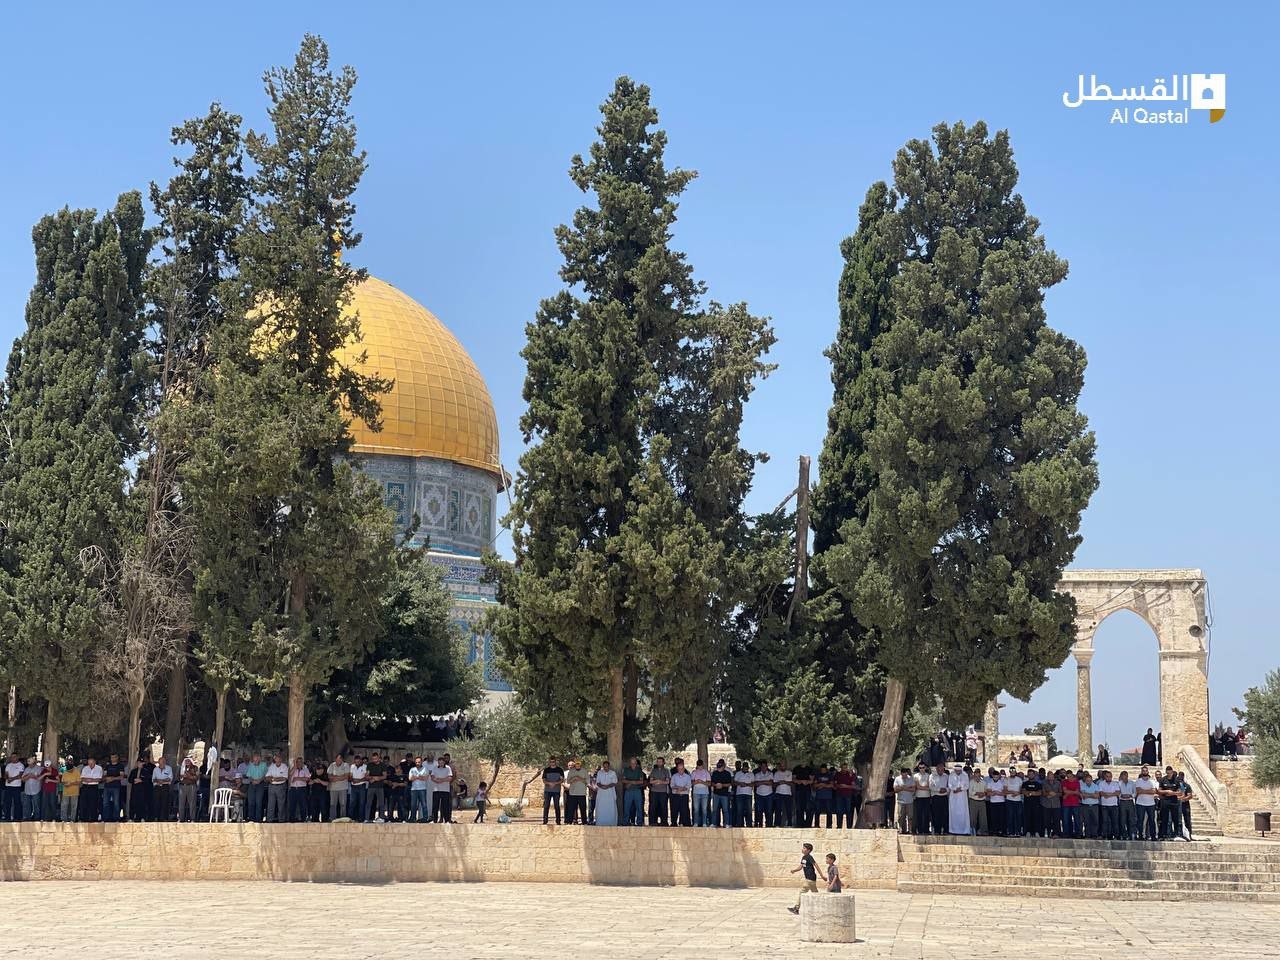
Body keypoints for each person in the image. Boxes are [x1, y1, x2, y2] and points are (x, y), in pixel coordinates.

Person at [787, 842, 819, 914]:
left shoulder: (809, 857)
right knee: (815, 893)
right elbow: (800, 867)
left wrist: (822, 875)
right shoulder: (803, 857)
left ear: (808, 850)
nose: (803, 849)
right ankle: (820, 906)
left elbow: (816, 865)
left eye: (804, 848)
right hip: (810, 879)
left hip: (810, 878)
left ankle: (796, 908)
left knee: (802, 892)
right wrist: (794, 870)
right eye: (803, 848)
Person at [1134, 765, 1159, 840]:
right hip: (1140, 803)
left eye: (1146, 770)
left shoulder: (1152, 781)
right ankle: (1141, 835)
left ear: (1148, 772)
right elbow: (1138, 791)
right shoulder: (1138, 781)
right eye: (1143, 771)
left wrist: (1143, 791)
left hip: (1151, 803)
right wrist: (1149, 791)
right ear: (1141, 772)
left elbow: (1154, 791)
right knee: (1140, 820)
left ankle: (1153, 836)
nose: (1144, 772)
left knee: (1152, 821)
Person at [127, 755, 154, 822]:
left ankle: (142, 817)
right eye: (139, 762)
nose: (140, 764)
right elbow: (129, 780)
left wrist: (141, 780)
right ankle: (131, 817)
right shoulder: (133, 771)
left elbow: (148, 780)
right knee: (133, 803)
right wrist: (134, 780)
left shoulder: (146, 771)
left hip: (142, 790)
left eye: (141, 763)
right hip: (134, 790)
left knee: (142, 804)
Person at [945, 764, 970, 835]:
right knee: (954, 813)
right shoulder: (951, 775)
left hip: (962, 797)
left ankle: (964, 830)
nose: (958, 771)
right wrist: (954, 789)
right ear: (955, 770)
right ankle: (953, 830)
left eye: (959, 770)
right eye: (957, 770)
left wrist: (960, 789)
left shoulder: (965, 775)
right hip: (954, 797)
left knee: (963, 812)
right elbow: (949, 785)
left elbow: (967, 785)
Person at [102, 753, 127, 822]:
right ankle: (105, 818)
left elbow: (122, 776)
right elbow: (103, 776)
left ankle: (116, 818)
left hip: (116, 787)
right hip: (107, 786)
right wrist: (106, 778)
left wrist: (113, 778)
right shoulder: (107, 766)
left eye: (114, 757)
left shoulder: (120, 766)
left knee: (116, 803)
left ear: (117, 758)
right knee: (105, 803)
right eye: (111, 757)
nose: (112, 759)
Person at [264, 754, 289, 823]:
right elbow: (267, 777)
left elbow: (284, 778)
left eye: (279, 758)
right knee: (270, 804)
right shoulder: (272, 766)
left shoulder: (284, 767)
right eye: (276, 758)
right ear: (275, 760)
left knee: (281, 804)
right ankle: (269, 820)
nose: (277, 760)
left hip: (281, 786)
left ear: (281, 759)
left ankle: (281, 820)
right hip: (272, 787)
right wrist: (274, 778)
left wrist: (274, 778)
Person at [622, 757, 646, 827]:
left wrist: (630, 782)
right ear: (630, 763)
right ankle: (625, 822)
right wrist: (633, 781)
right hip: (628, 791)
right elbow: (623, 780)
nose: (633, 764)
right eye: (632, 763)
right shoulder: (626, 770)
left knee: (639, 807)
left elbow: (641, 781)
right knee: (626, 807)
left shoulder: (639, 770)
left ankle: (639, 822)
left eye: (635, 763)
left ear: (636, 763)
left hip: (637, 791)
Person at [326, 753, 351, 821]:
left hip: (343, 788)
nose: (338, 760)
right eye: (337, 759)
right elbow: (329, 777)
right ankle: (332, 818)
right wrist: (341, 777)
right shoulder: (332, 765)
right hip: (333, 789)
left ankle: (343, 819)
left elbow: (346, 776)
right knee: (332, 804)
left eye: (340, 759)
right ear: (335, 759)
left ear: (342, 759)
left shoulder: (346, 765)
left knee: (343, 804)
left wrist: (335, 778)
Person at [594, 760, 619, 827]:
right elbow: (598, 782)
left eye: (607, 767)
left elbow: (615, 782)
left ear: (609, 766)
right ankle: (600, 823)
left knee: (610, 807)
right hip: (601, 793)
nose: (605, 768)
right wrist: (601, 786)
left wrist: (607, 786)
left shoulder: (613, 773)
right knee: (601, 807)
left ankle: (611, 822)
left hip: (610, 793)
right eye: (604, 767)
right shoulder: (599, 772)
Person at [430, 755, 454, 823]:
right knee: (435, 806)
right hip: (436, 790)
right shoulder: (435, 768)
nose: (440, 764)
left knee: (445, 806)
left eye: (442, 763)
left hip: (445, 790)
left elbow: (450, 778)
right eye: (439, 763)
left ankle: (446, 820)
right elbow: (432, 777)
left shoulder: (448, 768)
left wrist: (442, 780)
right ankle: (434, 820)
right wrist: (436, 780)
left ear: (444, 762)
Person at [286, 757, 310, 823]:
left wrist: (298, 778)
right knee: (292, 805)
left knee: (303, 805)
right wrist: (295, 767)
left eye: (300, 762)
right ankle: (291, 821)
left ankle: (303, 820)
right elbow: (289, 775)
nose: (299, 763)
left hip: (302, 789)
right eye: (298, 762)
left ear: (302, 763)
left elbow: (307, 778)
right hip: (293, 789)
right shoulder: (293, 768)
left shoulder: (305, 769)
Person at [79, 756, 104, 822]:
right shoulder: (85, 768)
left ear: (95, 762)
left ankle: (93, 818)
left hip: (94, 787)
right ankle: (84, 818)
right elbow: (82, 778)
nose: (90, 765)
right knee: (84, 803)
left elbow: (99, 779)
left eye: (92, 763)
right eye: (89, 763)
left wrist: (90, 780)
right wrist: (92, 779)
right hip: (85, 786)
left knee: (93, 803)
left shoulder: (99, 768)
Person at [564, 758, 588, 825]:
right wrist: (574, 778)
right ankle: (569, 822)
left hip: (581, 793)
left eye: (578, 764)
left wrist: (579, 778)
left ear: (580, 764)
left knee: (583, 809)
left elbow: (587, 781)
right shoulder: (571, 771)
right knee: (571, 809)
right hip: (573, 793)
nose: (577, 765)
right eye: (576, 764)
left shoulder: (584, 771)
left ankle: (584, 822)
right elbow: (568, 781)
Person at [710, 759, 733, 828]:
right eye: (718, 767)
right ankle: (714, 823)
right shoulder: (714, 773)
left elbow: (729, 784)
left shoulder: (727, 773)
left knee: (725, 810)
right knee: (714, 810)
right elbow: (712, 782)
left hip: (724, 794)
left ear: (723, 766)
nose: (719, 768)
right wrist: (716, 785)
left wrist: (722, 785)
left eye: (720, 767)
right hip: (716, 794)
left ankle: (726, 823)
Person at [648, 757, 671, 826]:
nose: (659, 763)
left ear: (663, 762)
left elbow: (667, 781)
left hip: (663, 792)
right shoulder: (653, 770)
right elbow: (651, 781)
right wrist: (659, 781)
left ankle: (664, 822)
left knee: (663, 807)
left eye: (660, 761)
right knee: (653, 806)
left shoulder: (666, 770)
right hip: (654, 791)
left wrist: (659, 781)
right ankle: (652, 822)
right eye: (658, 761)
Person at [669, 758, 692, 826]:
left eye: (681, 769)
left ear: (684, 769)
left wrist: (681, 789)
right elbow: (672, 785)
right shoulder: (674, 776)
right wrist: (678, 788)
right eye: (679, 769)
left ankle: (684, 823)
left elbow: (688, 786)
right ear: (677, 769)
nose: (680, 770)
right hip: (675, 795)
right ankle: (674, 823)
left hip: (684, 796)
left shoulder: (688, 777)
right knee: (674, 810)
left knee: (684, 810)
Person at [1098, 769, 1120, 839]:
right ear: (1105, 777)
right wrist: (1111, 794)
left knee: (1115, 821)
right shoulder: (1101, 783)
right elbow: (1101, 793)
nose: (1108, 778)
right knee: (1105, 821)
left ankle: (1116, 835)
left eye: (1110, 776)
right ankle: (1105, 835)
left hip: (1114, 805)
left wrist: (1108, 794)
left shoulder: (1115, 783)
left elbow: (1117, 793)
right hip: (1104, 805)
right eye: (1107, 776)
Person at [894, 767, 916, 835]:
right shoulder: (897, 779)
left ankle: (909, 830)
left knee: (910, 816)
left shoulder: (911, 778)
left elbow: (913, 789)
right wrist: (902, 788)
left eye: (905, 775)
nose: (904, 776)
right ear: (901, 773)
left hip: (909, 801)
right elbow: (895, 789)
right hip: (901, 801)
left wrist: (904, 788)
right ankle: (901, 829)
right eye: (903, 775)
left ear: (907, 773)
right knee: (901, 816)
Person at [690, 757, 712, 827]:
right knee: (696, 809)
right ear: (697, 765)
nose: (699, 767)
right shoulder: (694, 772)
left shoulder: (706, 772)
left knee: (704, 809)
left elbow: (709, 784)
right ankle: (696, 822)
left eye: (700, 765)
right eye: (698, 766)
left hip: (705, 793)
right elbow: (691, 783)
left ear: (703, 765)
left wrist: (702, 782)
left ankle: (704, 823)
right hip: (696, 792)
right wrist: (696, 781)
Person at [965, 765, 986, 835]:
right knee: (973, 817)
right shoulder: (971, 782)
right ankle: (972, 830)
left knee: (983, 817)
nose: (977, 777)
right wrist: (977, 793)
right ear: (974, 775)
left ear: (980, 775)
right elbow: (970, 792)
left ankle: (983, 831)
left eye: (978, 776)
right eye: (976, 776)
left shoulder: (984, 782)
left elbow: (986, 791)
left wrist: (983, 794)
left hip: (982, 802)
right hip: (973, 801)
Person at [929, 762, 949, 836]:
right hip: (936, 797)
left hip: (944, 797)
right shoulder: (932, 776)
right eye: (939, 769)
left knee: (945, 814)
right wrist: (939, 790)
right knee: (936, 815)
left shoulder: (946, 776)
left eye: (942, 769)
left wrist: (946, 789)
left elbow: (949, 786)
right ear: (936, 769)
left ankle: (945, 830)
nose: (940, 771)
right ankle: (937, 830)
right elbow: (931, 786)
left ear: (943, 769)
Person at [733, 760, 755, 827]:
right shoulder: (738, 773)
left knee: (749, 810)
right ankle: (740, 825)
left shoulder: (751, 774)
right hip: (739, 794)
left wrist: (746, 784)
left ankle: (749, 825)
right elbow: (734, 783)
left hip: (748, 794)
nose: (746, 769)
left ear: (748, 768)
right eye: (744, 768)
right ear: (742, 767)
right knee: (740, 810)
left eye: (747, 768)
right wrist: (740, 783)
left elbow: (753, 783)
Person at [1040, 769, 1062, 838]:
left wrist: (1055, 794)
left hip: (1056, 804)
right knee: (1047, 820)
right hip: (1046, 804)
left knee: (1056, 820)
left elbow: (1061, 793)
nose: (1050, 777)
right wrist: (1048, 793)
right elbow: (1043, 792)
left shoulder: (1058, 783)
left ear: (1053, 776)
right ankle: (1048, 833)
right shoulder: (1044, 783)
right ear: (1047, 777)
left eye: (1052, 776)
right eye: (1049, 776)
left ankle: (1056, 833)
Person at [407, 756, 430, 823]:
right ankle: (412, 818)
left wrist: (416, 777)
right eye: (416, 762)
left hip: (422, 789)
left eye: (419, 762)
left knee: (424, 804)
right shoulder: (412, 769)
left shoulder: (425, 769)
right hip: (414, 789)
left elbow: (426, 778)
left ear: (421, 762)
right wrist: (420, 777)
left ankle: (425, 818)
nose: (417, 763)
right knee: (413, 805)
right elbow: (410, 778)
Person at [178, 758, 201, 823]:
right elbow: (178, 777)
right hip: (182, 786)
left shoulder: (195, 768)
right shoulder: (182, 768)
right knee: (181, 803)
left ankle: (192, 818)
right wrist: (182, 777)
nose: (187, 762)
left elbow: (196, 777)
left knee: (192, 803)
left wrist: (189, 776)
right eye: (186, 761)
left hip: (191, 786)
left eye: (188, 761)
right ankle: (181, 818)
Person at [1, 753, 23, 822]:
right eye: (11, 757)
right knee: (8, 802)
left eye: (14, 757)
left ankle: (17, 817)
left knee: (17, 802)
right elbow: (6, 774)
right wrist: (7, 779)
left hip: (16, 787)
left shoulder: (20, 765)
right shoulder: (8, 765)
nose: (12, 758)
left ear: (17, 757)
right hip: (8, 786)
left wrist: (12, 779)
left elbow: (20, 775)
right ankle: (7, 817)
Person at [1060, 768, 1081, 838]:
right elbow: (1065, 791)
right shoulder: (1064, 782)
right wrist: (1074, 792)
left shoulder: (1077, 782)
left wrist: (1068, 793)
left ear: (1073, 776)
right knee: (1066, 820)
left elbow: (1077, 791)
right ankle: (1067, 834)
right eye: (1068, 777)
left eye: (1070, 777)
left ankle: (1078, 834)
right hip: (1066, 804)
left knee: (1077, 820)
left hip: (1075, 803)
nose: (1069, 778)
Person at [1078, 771, 1100, 838]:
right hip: (1085, 806)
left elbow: (1097, 796)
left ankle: (1094, 834)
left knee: (1095, 820)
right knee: (1086, 821)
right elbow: (1083, 796)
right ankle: (1087, 835)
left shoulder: (1095, 786)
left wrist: (1088, 795)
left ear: (1092, 780)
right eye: (1087, 780)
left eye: (1090, 780)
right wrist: (1092, 794)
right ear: (1085, 780)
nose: (1088, 782)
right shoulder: (1082, 786)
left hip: (1094, 806)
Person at [791, 761, 812, 828]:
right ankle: (799, 823)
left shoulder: (809, 769)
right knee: (799, 807)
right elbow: (793, 779)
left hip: (807, 791)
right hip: (798, 790)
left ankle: (808, 824)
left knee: (808, 807)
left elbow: (812, 780)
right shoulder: (796, 768)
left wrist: (806, 782)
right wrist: (800, 781)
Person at [1004, 766, 1024, 837]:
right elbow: (1005, 791)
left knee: (1018, 816)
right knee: (1010, 816)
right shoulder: (1006, 779)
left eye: (1014, 771)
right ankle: (1010, 832)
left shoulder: (1019, 779)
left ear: (1015, 772)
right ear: (1009, 772)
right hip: (1009, 800)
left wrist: (1017, 793)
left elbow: (1021, 790)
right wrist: (1012, 792)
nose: (1012, 772)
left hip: (1018, 800)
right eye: (1011, 771)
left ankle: (1018, 831)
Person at [59, 758, 80, 823]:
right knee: (64, 805)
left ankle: (72, 819)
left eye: (70, 771)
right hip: (66, 792)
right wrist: (65, 784)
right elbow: (62, 781)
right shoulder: (65, 772)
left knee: (74, 806)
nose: (69, 772)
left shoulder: (77, 771)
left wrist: (71, 783)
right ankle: (63, 819)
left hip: (74, 792)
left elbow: (79, 782)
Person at [985, 768, 1005, 837]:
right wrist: (996, 792)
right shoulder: (990, 783)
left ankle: (1001, 830)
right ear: (992, 776)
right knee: (993, 817)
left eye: (997, 777)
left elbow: (1004, 793)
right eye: (994, 776)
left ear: (999, 776)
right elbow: (988, 793)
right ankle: (994, 830)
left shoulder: (1002, 782)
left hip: (1001, 802)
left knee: (1001, 817)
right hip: (993, 802)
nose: (995, 778)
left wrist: (995, 792)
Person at [1116, 770, 1136, 840]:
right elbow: (1117, 793)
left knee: (1131, 819)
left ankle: (1131, 834)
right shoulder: (1118, 783)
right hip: (1122, 802)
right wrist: (1122, 796)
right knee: (1122, 819)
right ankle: (1123, 834)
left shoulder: (1132, 783)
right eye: (1123, 776)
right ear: (1121, 776)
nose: (1124, 777)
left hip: (1130, 801)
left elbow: (1135, 793)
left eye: (1126, 776)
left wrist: (1130, 795)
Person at [773, 761, 793, 827]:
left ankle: (789, 824)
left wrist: (784, 782)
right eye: (781, 766)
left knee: (788, 809)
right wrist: (779, 783)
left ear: (786, 766)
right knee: (778, 809)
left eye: (784, 765)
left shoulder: (789, 773)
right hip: (779, 793)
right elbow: (774, 784)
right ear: (780, 766)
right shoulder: (776, 773)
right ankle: (777, 824)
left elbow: (791, 783)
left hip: (788, 793)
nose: (782, 767)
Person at [912, 764, 931, 835]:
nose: (921, 769)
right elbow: (917, 786)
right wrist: (924, 787)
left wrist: (920, 787)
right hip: (919, 797)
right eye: (920, 768)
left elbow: (929, 786)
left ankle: (926, 830)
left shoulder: (928, 775)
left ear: (925, 768)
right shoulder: (916, 776)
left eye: (923, 767)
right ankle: (919, 830)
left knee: (926, 814)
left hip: (927, 797)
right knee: (919, 814)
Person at [1178, 772, 1195, 840]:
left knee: (1187, 820)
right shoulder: (1176, 785)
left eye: (1181, 776)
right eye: (1179, 776)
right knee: (1179, 820)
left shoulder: (1187, 786)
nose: (1180, 778)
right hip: (1178, 805)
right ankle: (1180, 834)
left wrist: (1183, 799)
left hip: (1185, 805)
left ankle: (1189, 835)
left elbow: (1190, 795)